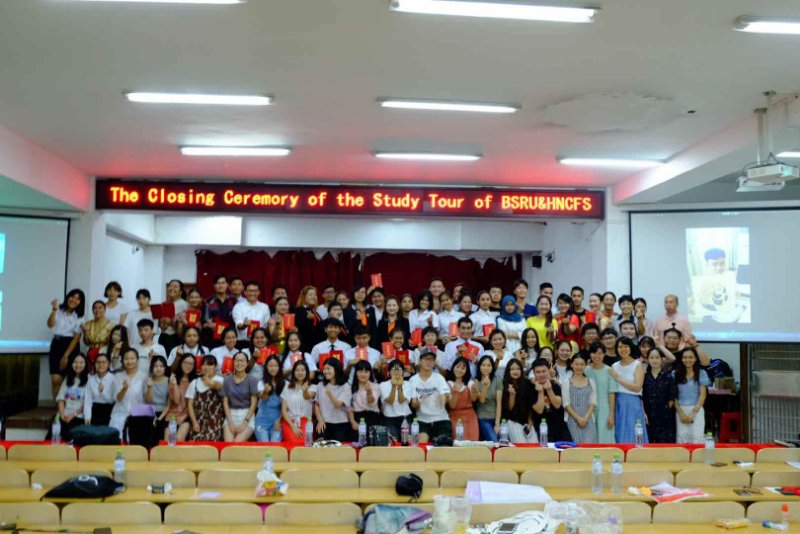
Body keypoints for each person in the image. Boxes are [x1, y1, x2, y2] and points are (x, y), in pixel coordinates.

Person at [47, 289, 85, 401]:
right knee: (55, 380)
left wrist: (66, 356)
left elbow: (76, 338)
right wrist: (54, 310)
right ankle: (57, 407)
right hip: (56, 344)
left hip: (71, 346)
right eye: (72, 296)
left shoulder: (80, 316)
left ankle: (67, 406)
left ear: (80, 302)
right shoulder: (58, 309)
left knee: (70, 379)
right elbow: (50, 324)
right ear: (68, 297)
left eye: (78, 299)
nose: (74, 300)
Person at [609, 337, 647, 444]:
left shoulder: (637, 365)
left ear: (630, 347)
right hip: (618, 403)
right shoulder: (614, 366)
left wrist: (618, 378)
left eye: (626, 346)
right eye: (620, 347)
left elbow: (637, 387)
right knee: (619, 433)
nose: (623, 349)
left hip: (633, 402)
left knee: (634, 433)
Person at [409, 348, 452, 443]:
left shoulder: (439, 378)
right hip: (422, 419)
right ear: (420, 361)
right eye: (426, 359)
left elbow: (445, 398)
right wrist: (420, 400)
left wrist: (443, 399)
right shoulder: (413, 380)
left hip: (441, 418)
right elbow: (414, 405)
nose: (429, 362)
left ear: (434, 362)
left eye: (432, 359)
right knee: (422, 441)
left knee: (443, 443)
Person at [673, 347, 710, 444]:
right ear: (681, 359)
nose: (687, 360)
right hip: (680, 411)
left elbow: (703, 395)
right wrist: (681, 414)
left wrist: (693, 414)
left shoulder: (701, 373)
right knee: (682, 442)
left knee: (697, 441)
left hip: (697, 410)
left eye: (690, 357)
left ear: (695, 359)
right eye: (685, 357)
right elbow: (673, 396)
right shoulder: (675, 374)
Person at [109, 348, 148, 439]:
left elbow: (148, 400)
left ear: (137, 360)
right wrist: (124, 389)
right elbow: (117, 399)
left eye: (132, 358)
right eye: (126, 359)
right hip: (119, 414)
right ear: (122, 360)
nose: (129, 361)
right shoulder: (117, 376)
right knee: (117, 442)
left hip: (138, 416)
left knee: (135, 443)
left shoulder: (144, 377)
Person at [531, 358, 572, 442]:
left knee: (568, 448)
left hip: (559, 426)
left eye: (544, 371)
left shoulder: (555, 385)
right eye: (538, 372)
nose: (541, 374)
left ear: (548, 371)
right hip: (541, 427)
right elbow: (539, 410)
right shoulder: (531, 388)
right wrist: (540, 392)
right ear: (534, 373)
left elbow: (557, 405)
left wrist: (549, 389)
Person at [221, 351, 258, 442]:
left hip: (247, 414)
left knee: (237, 443)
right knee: (228, 444)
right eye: (237, 360)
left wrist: (246, 421)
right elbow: (225, 402)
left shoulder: (252, 379)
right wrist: (230, 421)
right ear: (233, 363)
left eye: (242, 360)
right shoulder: (227, 380)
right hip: (230, 414)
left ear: (247, 363)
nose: (239, 363)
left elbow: (254, 403)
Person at [186, 355, 225, 441]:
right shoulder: (195, 382)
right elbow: (190, 405)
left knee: (211, 440)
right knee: (194, 441)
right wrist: (194, 423)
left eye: (210, 364)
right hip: (198, 420)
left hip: (215, 420)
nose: (206, 367)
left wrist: (210, 383)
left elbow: (219, 386)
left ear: (215, 367)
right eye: (204, 364)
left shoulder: (220, 379)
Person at [314, 357, 353, 442]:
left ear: (336, 369)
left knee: (338, 448)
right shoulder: (321, 385)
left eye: (328, 369)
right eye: (324, 369)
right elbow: (316, 404)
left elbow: (338, 404)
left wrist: (330, 394)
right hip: (324, 424)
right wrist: (320, 420)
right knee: (322, 447)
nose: (325, 371)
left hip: (340, 425)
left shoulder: (346, 387)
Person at [584, 342, 617, 443]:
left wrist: (611, 414)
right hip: (588, 409)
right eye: (594, 353)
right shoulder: (586, 370)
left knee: (605, 438)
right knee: (589, 439)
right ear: (590, 354)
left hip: (604, 409)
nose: (597, 356)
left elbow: (611, 393)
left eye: (600, 353)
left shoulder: (609, 371)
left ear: (604, 354)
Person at [642, 347, 676, 443]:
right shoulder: (644, 377)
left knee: (665, 443)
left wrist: (665, 410)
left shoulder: (668, 376)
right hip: (648, 414)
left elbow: (672, 396)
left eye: (657, 357)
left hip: (665, 415)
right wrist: (644, 412)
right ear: (647, 359)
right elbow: (642, 396)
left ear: (662, 359)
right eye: (652, 358)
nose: (654, 360)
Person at [563, 353, 598, 444]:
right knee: (574, 448)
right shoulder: (566, 382)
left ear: (585, 365)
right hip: (572, 420)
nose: (579, 367)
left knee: (589, 447)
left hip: (588, 420)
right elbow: (566, 403)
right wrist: (578, 418)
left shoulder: (591, 382)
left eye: (582, 364)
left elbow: (593, 402)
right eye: (576, 364)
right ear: (571, 364)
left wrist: (585, 418)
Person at [499, 358, 536, 443]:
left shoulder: (527, 383)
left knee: (535, 446)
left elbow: (531, 406)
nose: (515, 371)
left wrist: (530, 422)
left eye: (518, 369)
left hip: (527, 421)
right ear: (508, 371)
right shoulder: (504, 384)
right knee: (521, 445)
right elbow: (509, 410)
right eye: (512, 369)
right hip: (512, 421)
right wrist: (512, 394)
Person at [281, 359, 317, 445]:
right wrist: (293, 427)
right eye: (297, 370)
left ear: (307, 372)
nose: (300, 372)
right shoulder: (287, 387)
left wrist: (304, 391)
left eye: (303, 370)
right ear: (293, 372)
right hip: (289, 422)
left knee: (304, 444)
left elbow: (307, 396)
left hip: (306, 422)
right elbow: (283, 410)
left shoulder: (313, 387)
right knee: (292, 444)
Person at [162, 353, 196, 442]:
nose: (188, 366)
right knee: (169, 441)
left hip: (187, 416)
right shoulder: (173, 379)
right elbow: (176, 401)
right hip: (172, 415)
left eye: (191, 364)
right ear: (181, 363)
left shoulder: (195, 381)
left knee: (179, 439)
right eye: (185, 363)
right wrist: (174, 384)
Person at [55, 352, 89, 441]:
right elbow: (61, 399)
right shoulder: (67, 379)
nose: (78, 365)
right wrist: (62, 414)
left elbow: (87, 403)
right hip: (65, 415)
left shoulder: (89, 380)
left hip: (78, 416)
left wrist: (73, 414)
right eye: (75, 362)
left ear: (85, 364)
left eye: (81, 362)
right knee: (53, 435)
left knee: (70, 437)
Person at [446, 356, 479, 441]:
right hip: (455, 416)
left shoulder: (469, 383)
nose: (459, 370)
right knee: (459, 443)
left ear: (466, 370)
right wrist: (455, 393)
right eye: (457, 367)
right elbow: (452, 406)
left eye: (463, 368)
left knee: (473, 443)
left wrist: (474, 390)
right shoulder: (448, 384)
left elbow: (474, 399)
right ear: (453, 367)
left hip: (470, 416)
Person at [379, 359, 412, 441]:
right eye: (393, 369)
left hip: (405, 418)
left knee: (407, 441)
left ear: (403, 372)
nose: (396, 371)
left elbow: (401, 400)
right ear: (388, 372)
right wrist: (394, 386)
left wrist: (400, 387)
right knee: (393, 443)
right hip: (389, 419)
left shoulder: (408, 384)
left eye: (399, 369)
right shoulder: (383, 385)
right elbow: (390, 401)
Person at [348, 360, 381, 439]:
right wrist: (353, 422)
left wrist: (369, 391)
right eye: (360, 371)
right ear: (356, 373)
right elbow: (350, 408)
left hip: (372, 419)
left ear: (370, 373)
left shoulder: (375, 386)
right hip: (357, 420)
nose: (363, 374)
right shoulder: (351, 388)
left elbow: (372, 402)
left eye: (366, 372)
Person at [255, 355, 284, 443]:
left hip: (277, 420)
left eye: (275, 365)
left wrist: (279, 420)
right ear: (266, 367)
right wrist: (265, 391)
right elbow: (263, 397)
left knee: (275, 445)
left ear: (279, 367)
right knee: (264, 446)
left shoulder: (285, 383)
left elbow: (285, 407)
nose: (273, 368)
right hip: (261, 420)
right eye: (270, 366)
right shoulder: (261, 382)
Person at [202, 274, 237, 348]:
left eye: (223, 283)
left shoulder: (234, 301)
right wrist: (210, 324)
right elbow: (205, 320)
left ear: (227, 285)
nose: (220, 286)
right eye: (218, 283)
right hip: (213, 338)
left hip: (231, 338)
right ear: (214, 286)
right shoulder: (208, 302)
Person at [473, 354, 502, 441]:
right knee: (494, 440)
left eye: (489, 365)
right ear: (479, 366)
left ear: (493, 367)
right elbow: (481, 400)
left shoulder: (497, 380)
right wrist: (485, 386)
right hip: (482, 418)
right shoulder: (475, 381)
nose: (486, 368)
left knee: (501, 442)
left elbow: (499, 403)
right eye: (483, 365)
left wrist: (497, 424)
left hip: (495, 418)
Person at [84, 352, 115, 427]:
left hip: (109, 410)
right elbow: (87, 400)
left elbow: (114, 400)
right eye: (98, 362)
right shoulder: (91, 379)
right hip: (94, 410)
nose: (101, 365)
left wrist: (102, 392)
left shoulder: (113, 379)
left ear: (108, 364)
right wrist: (87, 417)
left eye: (104, 362)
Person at [158, 279, 188, 355]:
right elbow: (160, 322)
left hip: (176, 337)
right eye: (170, 286)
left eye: (175, 287)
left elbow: (185, 324)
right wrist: (161, 322)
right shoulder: (164, 303)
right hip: (163, 336)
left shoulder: (184, 304)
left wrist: (171, 321)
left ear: (180, 292)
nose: (172, 288)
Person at [145, 355, 170, 432]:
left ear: (165, 368)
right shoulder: (148, 381)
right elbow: (148, 401)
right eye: (155, 366)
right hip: (150, 412)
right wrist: (149, 387)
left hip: (164, 413)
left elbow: (169, 405)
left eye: (161, 366)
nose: (158, 368)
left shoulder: (169, 381)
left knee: (157, 426)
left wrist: (159, 419)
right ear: (151, 368)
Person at [295, 285, 322, 353]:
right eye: (310, 295)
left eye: (315, 295)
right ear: (303, 296)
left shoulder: (314, 311)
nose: (313, 297)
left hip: (315, 346)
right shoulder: (299, 310)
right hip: (305, 347)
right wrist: (307, 318)